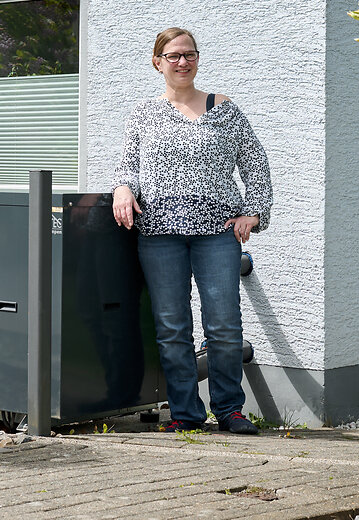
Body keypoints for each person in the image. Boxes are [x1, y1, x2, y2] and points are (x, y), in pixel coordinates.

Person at [112, 27, 272, 434]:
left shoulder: (224, 109)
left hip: (217, 233)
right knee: (172, 327)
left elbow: (254, 162)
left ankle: (230, 410)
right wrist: (123, 189)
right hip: (159, 233)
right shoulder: (143, 114)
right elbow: (128, 166)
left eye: (189, 54)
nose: (182, 62)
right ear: (158, 63)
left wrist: (254, 212)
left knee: (223, 324)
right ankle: (185, 413)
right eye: (173, 55)